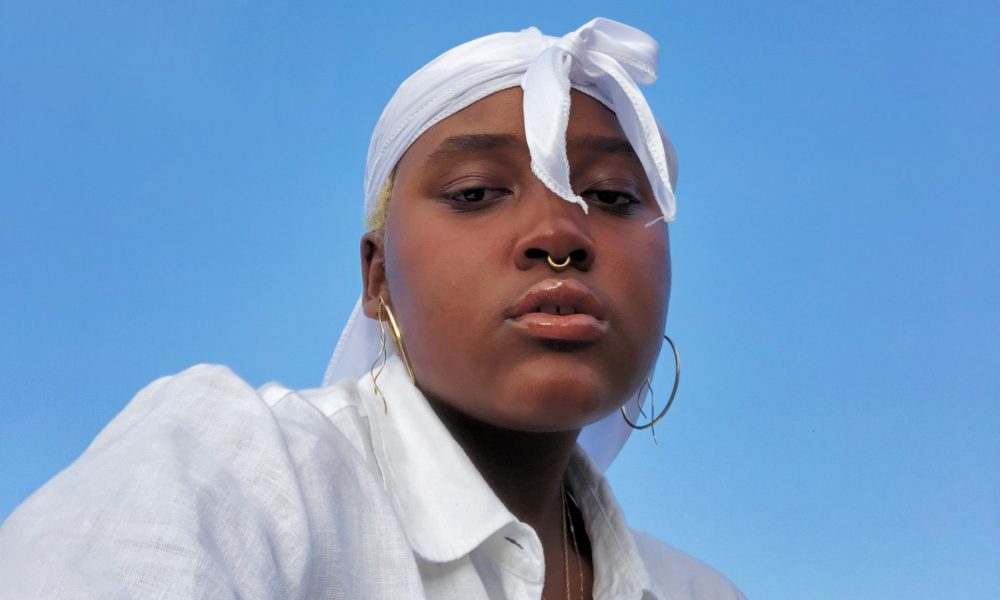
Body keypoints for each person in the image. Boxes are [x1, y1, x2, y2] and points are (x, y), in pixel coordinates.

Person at [0, 18, 746, 600]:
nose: (560, 235)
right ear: (377, 275)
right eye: (476, 193)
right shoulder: (233, 477)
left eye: (612, 196)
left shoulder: (697, 589)